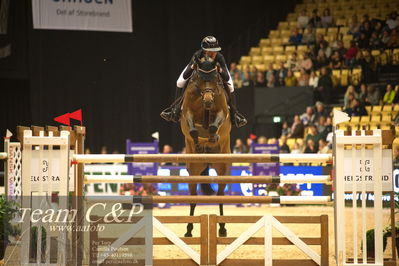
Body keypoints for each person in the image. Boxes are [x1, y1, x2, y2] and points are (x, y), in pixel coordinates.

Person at [160, 36, 247, 127]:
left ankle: (234, 115)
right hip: (200, 77)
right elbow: (186, 75)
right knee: (179, 82)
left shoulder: (219, 57)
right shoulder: (197, 55)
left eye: (215, 50)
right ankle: (175, 110)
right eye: (211, 51)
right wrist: (193, 66)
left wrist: (220, 69)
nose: (214, 53)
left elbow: (226, 77)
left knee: (231, 86)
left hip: (214, 76)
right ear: (205, 50)